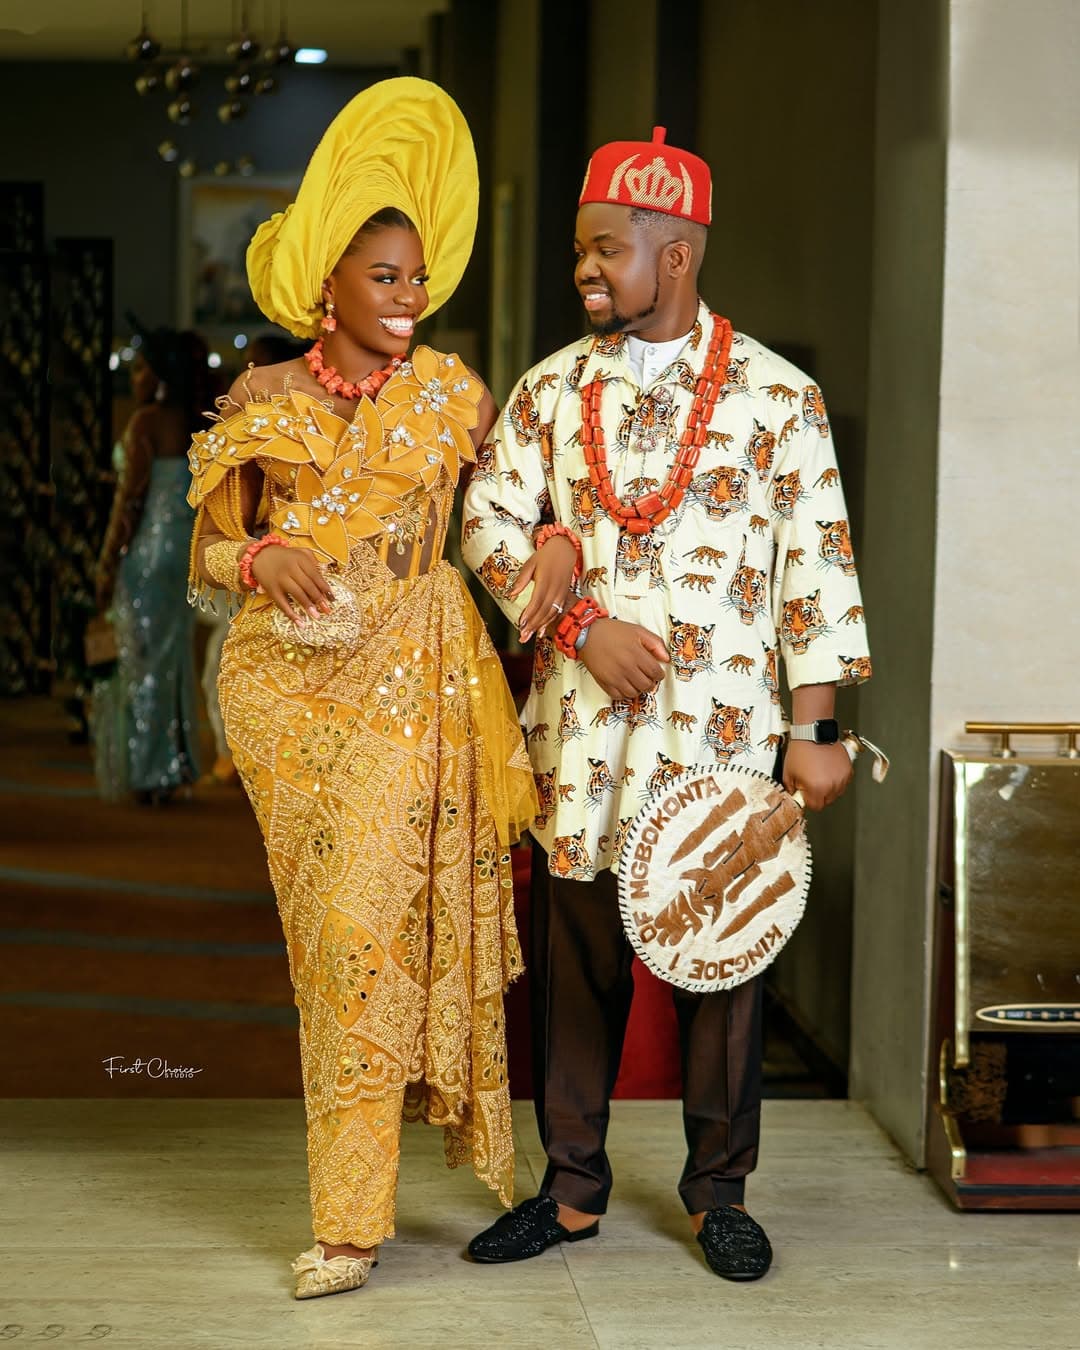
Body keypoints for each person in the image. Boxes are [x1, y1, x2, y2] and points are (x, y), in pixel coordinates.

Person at [461, 127, 873, 1281]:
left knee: (726, 968)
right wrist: (584, 629)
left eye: (606, 251)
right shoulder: (550, 391)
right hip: (587, 745)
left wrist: (819, 728)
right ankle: (574, 1190)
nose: (585, 272)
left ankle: (718, 1196)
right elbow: (487, 522)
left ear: (676, 255)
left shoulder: (781, 401)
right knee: (577, 971)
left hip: (729, 747)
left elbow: (818, 563)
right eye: (582, 251)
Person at [186, 78, 572, 1301]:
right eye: (383, 277)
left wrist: (555, 556)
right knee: (326, 950)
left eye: (415, 277)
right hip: (284, 695)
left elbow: (510, 517)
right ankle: (350, 1197)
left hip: (414, 678)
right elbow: (202, 554)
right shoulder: (262, 404)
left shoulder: (455, 396)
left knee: (363, 936)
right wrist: (260, 555)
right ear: (328, 288)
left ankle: (346, 1227)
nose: (407, 298)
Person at [93, 329, 209, 802]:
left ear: (159, 375)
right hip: (184, 551)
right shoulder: (197, 421)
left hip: (147, 551)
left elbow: (129, 502)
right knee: (174, 658)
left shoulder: (145, 422)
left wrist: (107, 561)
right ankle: (174, 763)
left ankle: (149, 770)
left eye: (141, 369)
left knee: (140, 660)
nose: (134, 378)